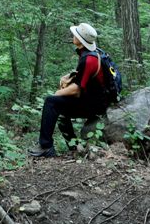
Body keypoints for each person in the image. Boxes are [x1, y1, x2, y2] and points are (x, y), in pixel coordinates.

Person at [28, 22, 108, 159]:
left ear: (81, 40)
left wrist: (57, 93)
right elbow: (85, 78)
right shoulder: (90, 54)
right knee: (58, 108)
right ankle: (75, 147)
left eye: (76, 34)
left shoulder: (88, 59)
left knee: (51, 101)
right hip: (95, 99)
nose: (73, 35)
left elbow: (76, 90)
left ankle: (46, 146)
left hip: (95, 104)